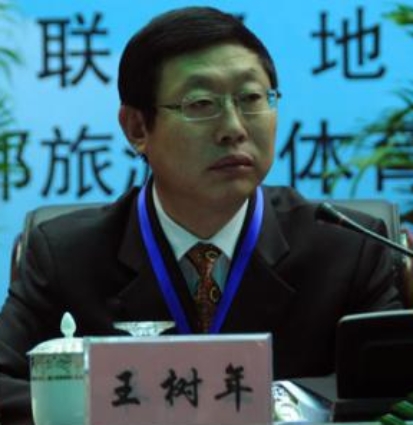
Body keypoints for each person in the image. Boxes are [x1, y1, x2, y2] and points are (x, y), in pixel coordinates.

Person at [0, 6, 402, 425]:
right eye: (201, 103)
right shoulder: (66, 255)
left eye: (251, 99)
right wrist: (122, 406)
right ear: (137, 128)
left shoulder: (348, 248)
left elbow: (393, 395)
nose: (234, 128)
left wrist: (285, 404)